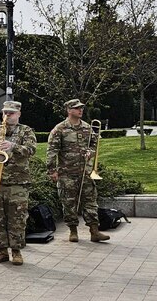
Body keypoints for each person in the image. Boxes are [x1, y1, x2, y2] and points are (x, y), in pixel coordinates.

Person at [0, 101, 38, 265]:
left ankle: (16, 251)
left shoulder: (26, 131)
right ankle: (0, 251)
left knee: (17, 219)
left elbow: (32, 150)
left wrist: (13, 146)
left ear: (19, 114)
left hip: (17, 183)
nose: (8, 115)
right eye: (5, 112)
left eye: (11, 113)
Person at [46, 98, 110, 243]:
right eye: (76, 108)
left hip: (85, 172)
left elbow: (95, 144)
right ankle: (73, 230)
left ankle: (94, 231)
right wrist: (52, 170)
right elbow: (51, 151)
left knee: (90, 202)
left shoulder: (87, 127)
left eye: (81, 108)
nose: (80, 110)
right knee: (69, 203)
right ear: (69, 110)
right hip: (67, 173)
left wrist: (91, 152)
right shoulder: (60, 129)